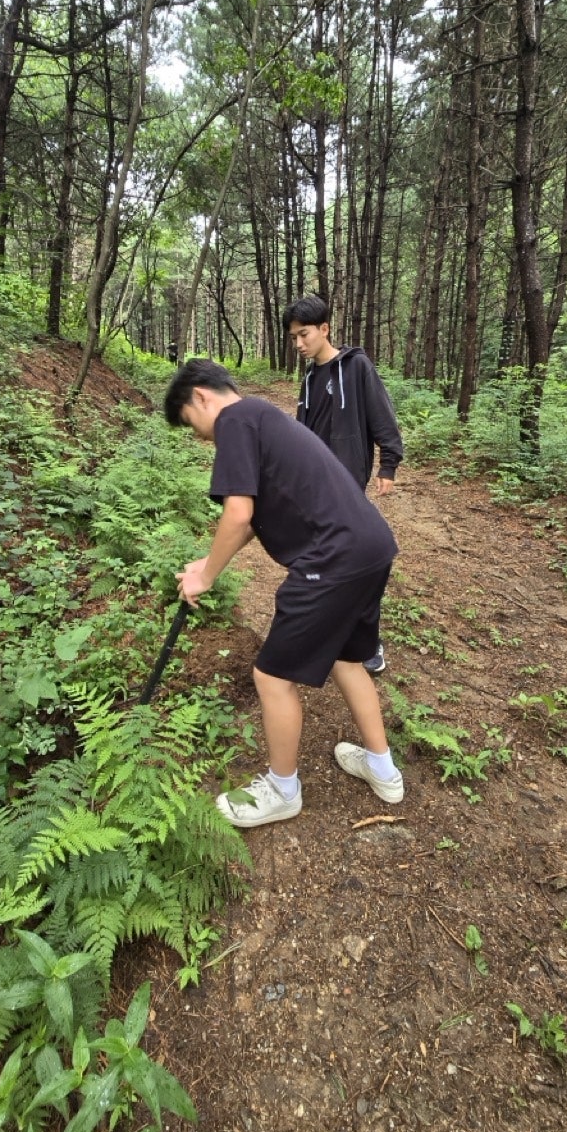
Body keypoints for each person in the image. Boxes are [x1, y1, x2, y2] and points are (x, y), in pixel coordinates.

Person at [164, 358, 405, 829]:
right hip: (371, 547)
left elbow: (237, 513)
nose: (200, 438)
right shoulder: (263, 416)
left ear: (200, 397)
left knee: (272, 677)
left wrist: (205, 576)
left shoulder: (233, 420)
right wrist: (209, 562)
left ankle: (281, 789)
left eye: (193, 426)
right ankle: (383, 770)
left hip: (332, 560)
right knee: (346, 658)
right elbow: (257, 514)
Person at [282, 294, 403, 675]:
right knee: (323, 562)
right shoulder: (309, 379)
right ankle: (327, 633)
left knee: (358, 563)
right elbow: (301, 434)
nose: (299, 344)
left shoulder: (356, 368)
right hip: (313, 490)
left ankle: (368, 644)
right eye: (293, 338)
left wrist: (388, 464)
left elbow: (382, 416)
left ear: (324, 329)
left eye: (304, 335)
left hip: (347, 486)